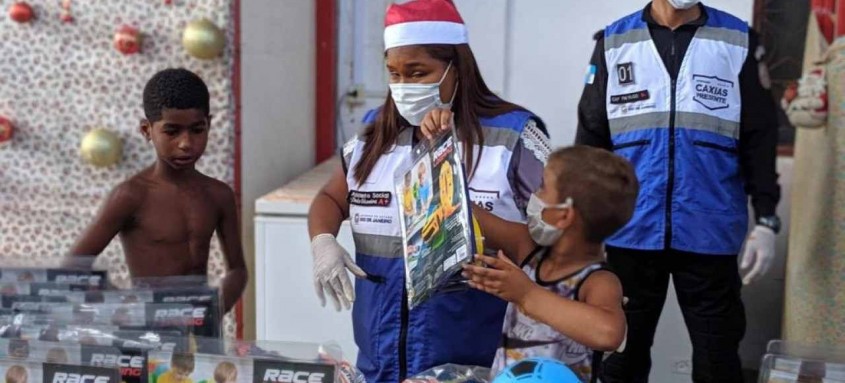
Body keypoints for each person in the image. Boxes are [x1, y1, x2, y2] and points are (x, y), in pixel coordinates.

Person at [307, 1, 550, 381]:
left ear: (457, 68)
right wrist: (323, 241)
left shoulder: (512, 135)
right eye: (394, 74)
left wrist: (454, 197)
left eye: (418, 73)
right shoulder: (375, 134)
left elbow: (550, 243)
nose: (403, 86)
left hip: (472, 359)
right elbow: (329, 199)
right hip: (381, 356)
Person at [575, 1, 781, 382]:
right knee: (620, 359)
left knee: (717, 360)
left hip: (710, 229)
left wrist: (766, 218)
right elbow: (591, 144)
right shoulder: (614, 42)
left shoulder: (737, 41)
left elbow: (760, 138)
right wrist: (585, 229)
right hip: (629, 231)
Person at [68, 68, 247, 313]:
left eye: (197, 130)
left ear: (209, 125)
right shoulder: (132, 195)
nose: (185, 143)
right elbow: (73, 267)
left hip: (200, 331)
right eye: (172, 132)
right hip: (147, 334)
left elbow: (237, 270)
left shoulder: (218, 195)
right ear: (146, 130)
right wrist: (129, 307)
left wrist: (212, 313)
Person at [463, 146, 633, 382]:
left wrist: (526, 295)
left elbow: (609, 333)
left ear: (564, 215)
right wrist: (437, 149)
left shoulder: (597, 281)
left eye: (543, 187)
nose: (535, 194)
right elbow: (465, 213)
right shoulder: (529, 248)